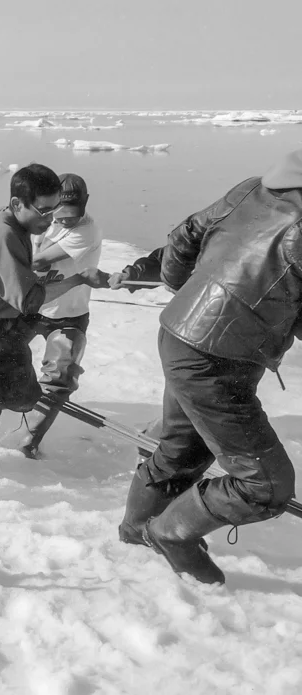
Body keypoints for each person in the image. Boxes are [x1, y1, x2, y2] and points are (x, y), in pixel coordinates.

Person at [114, 149, 302, 584]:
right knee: (265, 485)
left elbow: (186, 235)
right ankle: (168, 534)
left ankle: (134, 533)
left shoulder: (252, 188)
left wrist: (186, 289)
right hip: (218, 358)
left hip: (183, 335)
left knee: (183, 448)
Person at [0, 163, 108, 467]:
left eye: (54, 210)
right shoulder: (3, 235)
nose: (50, 219)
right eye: (43, 211)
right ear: (17, 203)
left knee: (23, 395)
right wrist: (78, 279)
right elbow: (29, 301)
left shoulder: (18, 226)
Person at [18, 174, 104, 459]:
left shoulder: (87, 230)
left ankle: (27, 439)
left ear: (85, 204)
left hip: (70, 315)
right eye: (60, 214)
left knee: (59, 378)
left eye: (72, 215)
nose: (66, 221)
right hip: (31, 307)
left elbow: (39, 260)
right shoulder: (40, 219)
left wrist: (8, 255)